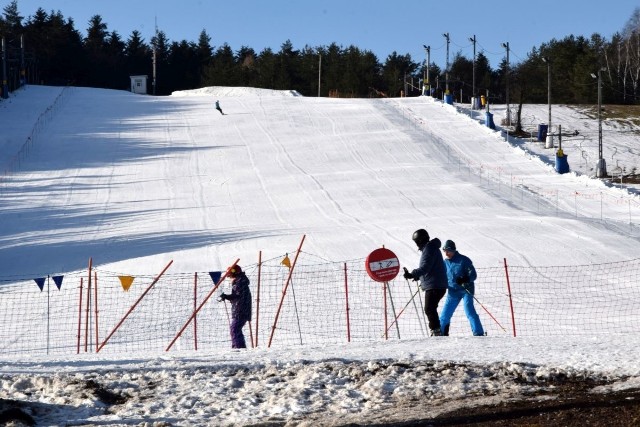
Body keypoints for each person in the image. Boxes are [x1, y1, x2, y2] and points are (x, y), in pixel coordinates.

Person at [403, 228, 448, 336]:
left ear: (420, 240)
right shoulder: (431, 248)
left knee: (429, 308)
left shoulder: (429, 249)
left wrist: (412, 274)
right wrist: (420, 277)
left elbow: (425, 267)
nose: (416, 244)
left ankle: (436, 331)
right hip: (436, 284)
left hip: (435, 285)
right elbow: (432, 268)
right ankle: (437, 331)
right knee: (431, 308)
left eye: (416, 241)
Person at [439, 240, 485, 336]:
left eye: (448, 251)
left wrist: (465, 278)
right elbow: (439, 274)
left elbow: (473, 275)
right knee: (445, 314)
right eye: (445, 251)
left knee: (469, 310)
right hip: (453, 291)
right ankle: (440, 333)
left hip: (466, 290)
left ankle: (478, 333)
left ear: (453, 250)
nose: (446, 253)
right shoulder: (445, 263)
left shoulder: (463, 260)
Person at [219, 264, 252, 348]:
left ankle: (239, 347)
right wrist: (227, 297)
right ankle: (237, 347)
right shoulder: (239, 282)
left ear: (234, 273)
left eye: (230, 275)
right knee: (235, 328)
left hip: (241, 310)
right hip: (240, 309)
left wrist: (226, 296)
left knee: (235, 328)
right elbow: (238, 296)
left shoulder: (239, 282)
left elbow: (237, 296)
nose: (229, 278)